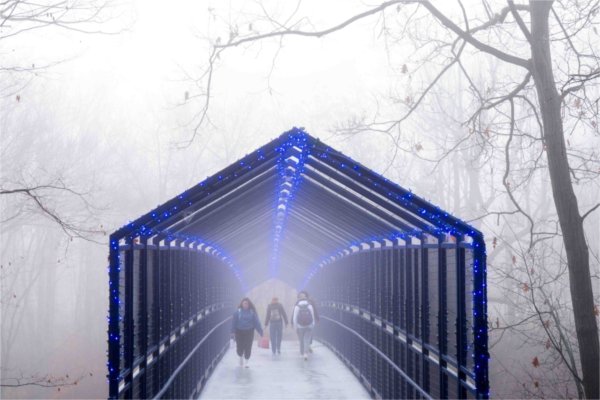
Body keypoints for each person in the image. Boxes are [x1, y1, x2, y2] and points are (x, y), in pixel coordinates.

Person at [231, 297, 263, 368]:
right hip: (239, 331)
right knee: (239, 346)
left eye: (247, 304)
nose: (245, 305)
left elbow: (256, 322)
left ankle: (246, 361)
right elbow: (234, 322)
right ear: (242, 304)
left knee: (248, 346)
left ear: (249, 305)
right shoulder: (237, 312)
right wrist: (232, 331)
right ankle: (240, 357)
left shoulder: (252, 313)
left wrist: (260, 331)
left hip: (249, 331)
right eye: (244, 303)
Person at [291, 292, 315, 360]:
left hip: (300, 326)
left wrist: (295, 327)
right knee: (307, 340)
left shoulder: (297, 306)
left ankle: (301, 353)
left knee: (301, 340)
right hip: (309, 325)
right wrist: (313, 324)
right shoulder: (309, 305)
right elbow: (312, 316)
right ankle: (305, 353)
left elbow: (294, 318)